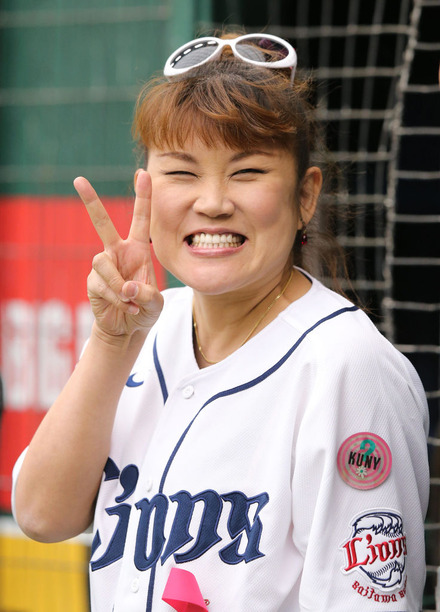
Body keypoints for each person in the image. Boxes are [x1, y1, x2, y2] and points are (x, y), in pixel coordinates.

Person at [12, 32, 429, 612]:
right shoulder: (144, 329)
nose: (211, 201)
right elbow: (41, 515)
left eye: (247, 171)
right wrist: (112, 342)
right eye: (182, 172)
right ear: (147, 189)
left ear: (305, 195)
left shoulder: (349, 370)